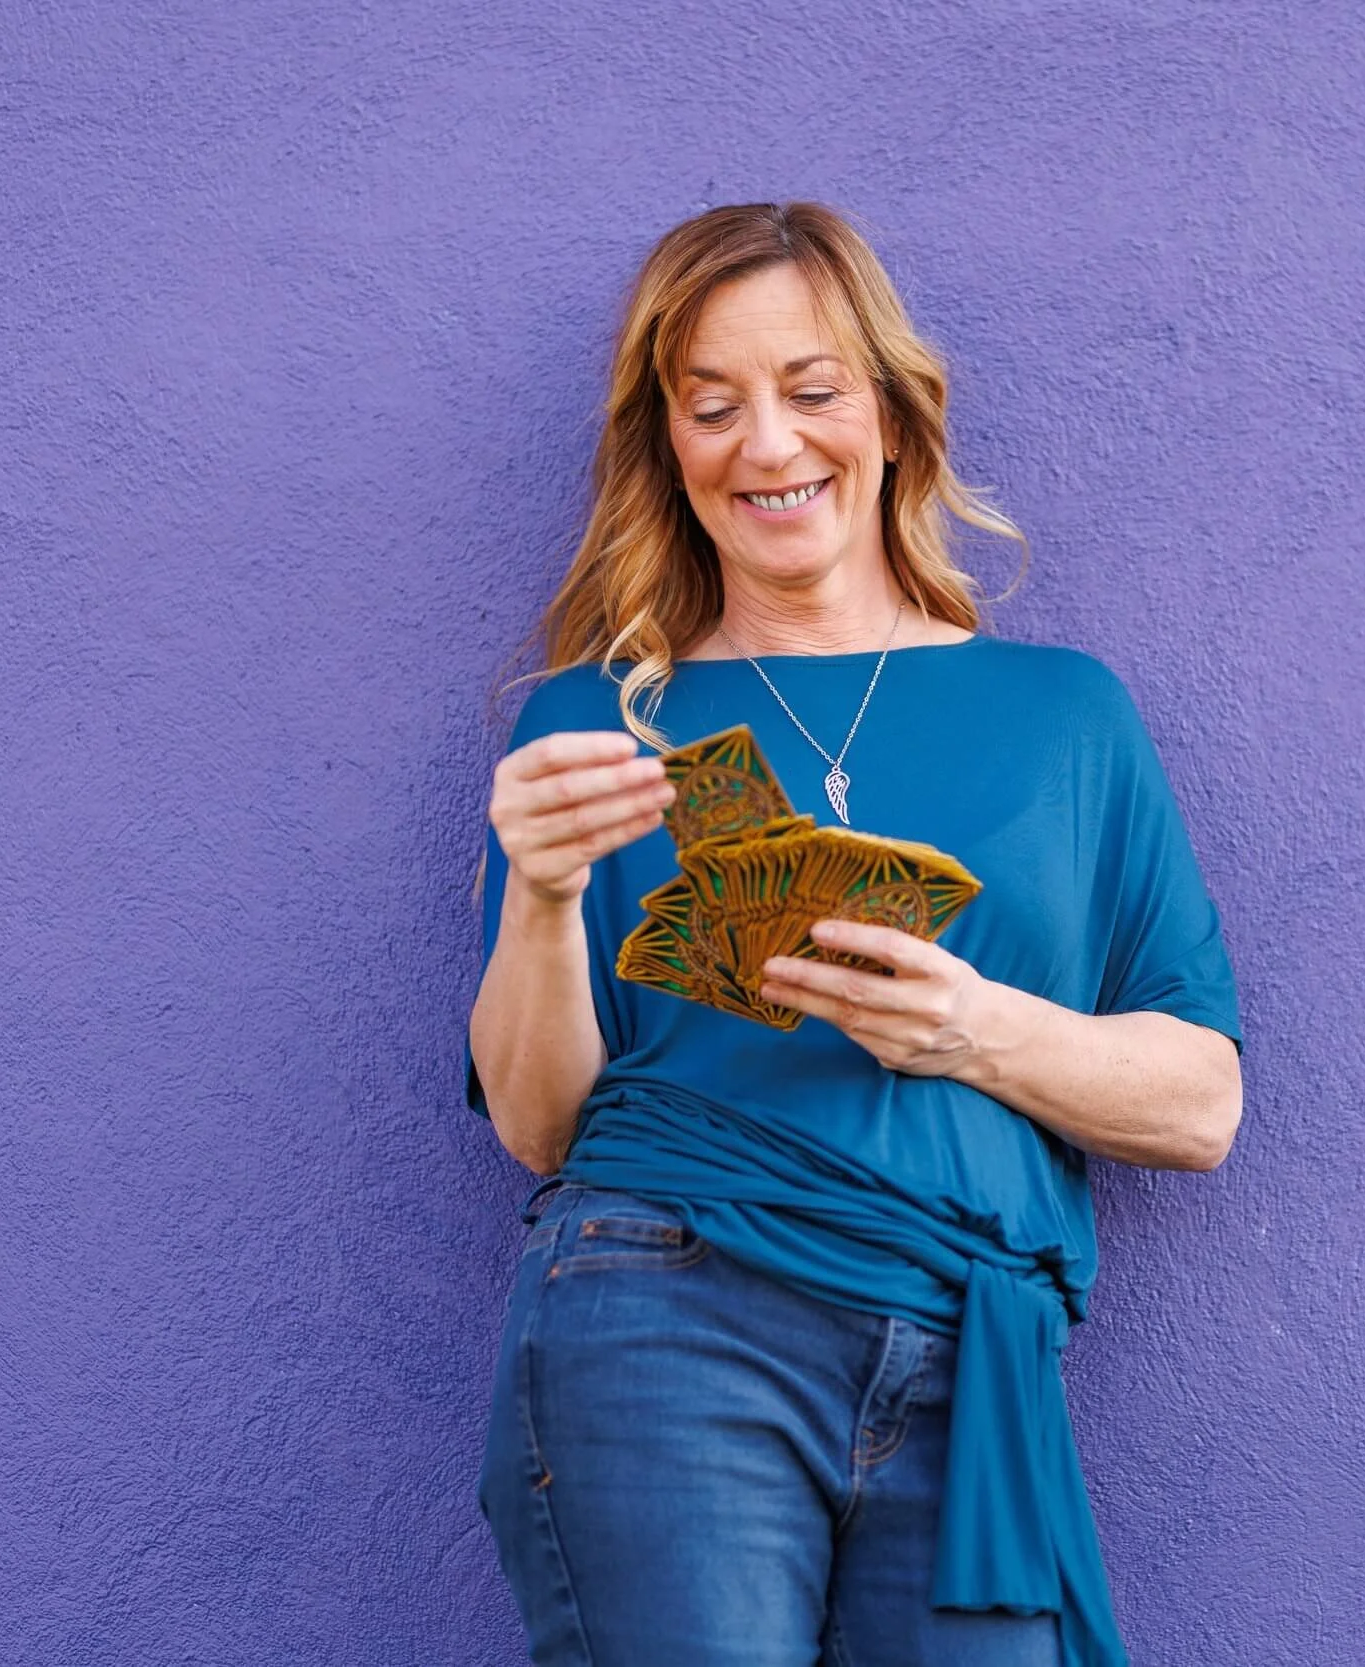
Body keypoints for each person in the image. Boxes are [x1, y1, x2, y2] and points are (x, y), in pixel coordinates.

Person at [464, 201, 1243, 1667]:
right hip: (662, 1313)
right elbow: (539, 1122)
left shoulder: (1066, 714)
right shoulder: (587, 727)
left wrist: (975, 1029)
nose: (770, 445)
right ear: (670, 448)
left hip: (977, 1355)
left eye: (813, 391)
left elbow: (1202, 1102)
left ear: (892, 415)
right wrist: (548, 894)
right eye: (714, 406)